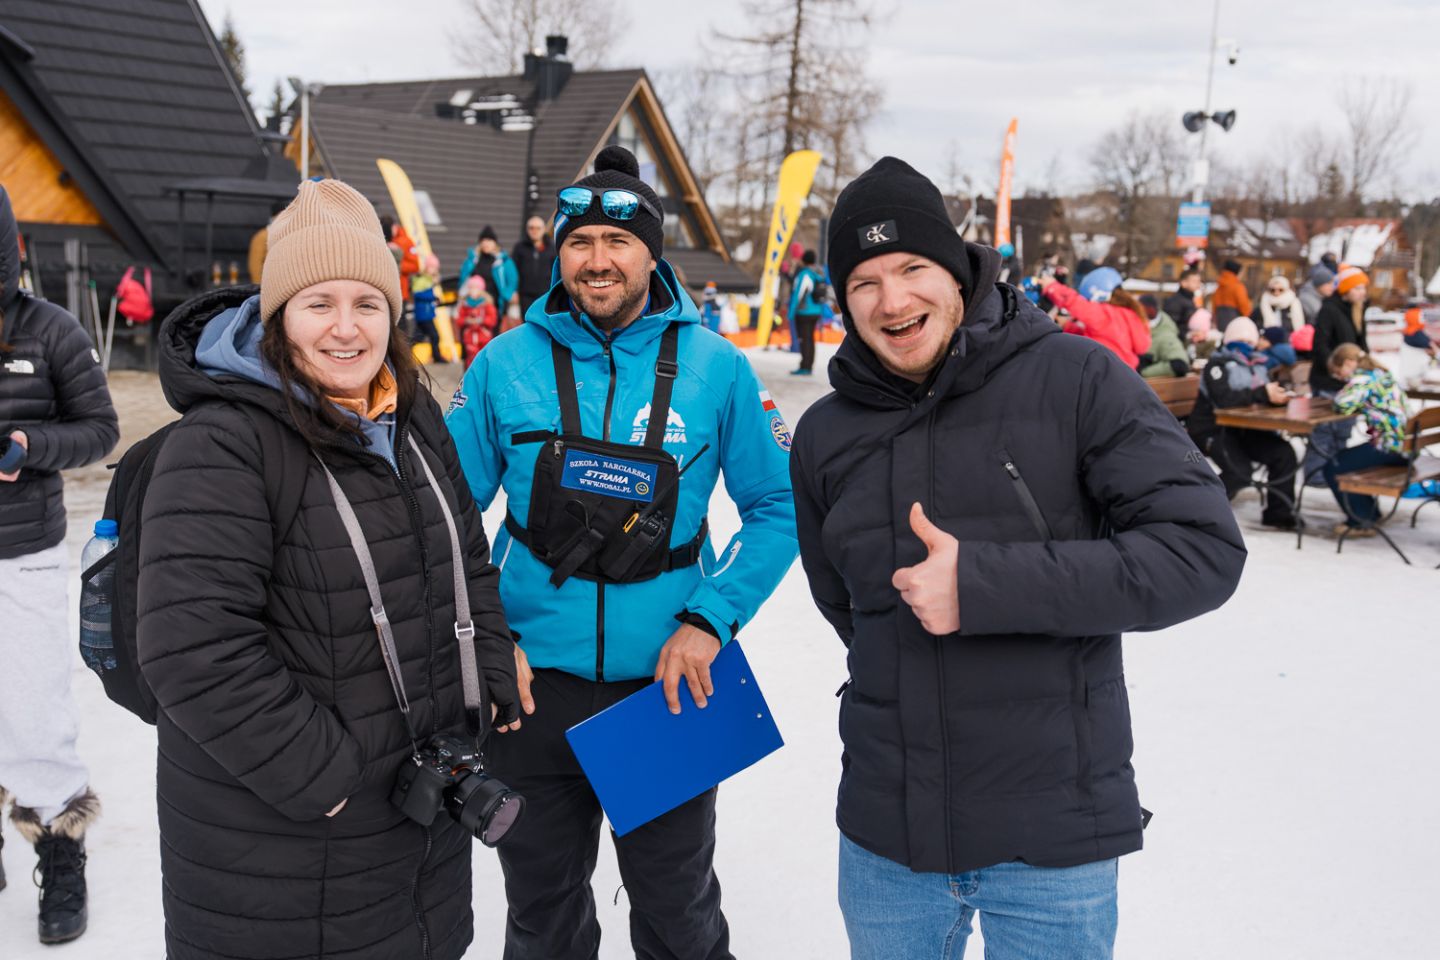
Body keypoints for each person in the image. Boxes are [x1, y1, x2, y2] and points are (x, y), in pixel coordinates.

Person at [789, 156, 1245, 960]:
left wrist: (983, 585)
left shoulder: (1077, 378)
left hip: (1051, 839)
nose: (892, 301)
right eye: (864, 282)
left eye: (912, 268)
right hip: (886, 839)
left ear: (958, 270)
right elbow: (848, 607)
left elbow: (1201, 549)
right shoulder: (824, 434)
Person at [134, 179, 519, 960]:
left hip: (415, 827)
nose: (347, 328)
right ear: (279, 314)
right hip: (290, 845)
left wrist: (485, 676)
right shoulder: (224, 444)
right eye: (319, 303)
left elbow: (466, 559)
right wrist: (328, 780)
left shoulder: (411, 416)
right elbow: (192, 650)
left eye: (367, 303)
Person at [445, 145, 797, 960]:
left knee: (679, 915)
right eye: (579, 242)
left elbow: (779, 506)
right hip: (529, 690)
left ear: (652, 254)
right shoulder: (503, 364)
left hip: (666, 689)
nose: (597, 260)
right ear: (558, 251)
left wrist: (711, 619)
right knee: (543, 918)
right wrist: (492, 638)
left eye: (618, 241)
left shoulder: (717, 369)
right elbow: (440, 517)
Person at [0, 184, 118, 945]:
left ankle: (60, 840)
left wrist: (29, 446)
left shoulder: (50, 330)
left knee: (32, 705)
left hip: (23, 553)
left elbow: (100, 429)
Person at [1186, 316, 1299, 529]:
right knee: (1239, 471)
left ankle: (1279, 514)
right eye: (1240, 341)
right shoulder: (1217, 365)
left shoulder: (1257, 365)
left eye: (1249, 342)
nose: (1246, 346)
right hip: (1213, 428)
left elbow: (1258, 396)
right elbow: (1224, 400)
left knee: (1283, 454)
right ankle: (1196, 511)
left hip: (1244, 429)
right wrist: (1262, 393)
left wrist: (1275, 398)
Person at [1324, 343, 1411, 537]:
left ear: (1349, 363)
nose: (1340, 378)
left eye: (1338, 372)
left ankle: (1360, 521)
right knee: (1347, 461)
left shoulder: (1364, 378)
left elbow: (1342, 404)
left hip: (1391, 446)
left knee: (1334, 466)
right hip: (1406, 445)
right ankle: (1369, 514)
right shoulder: (1382, 374)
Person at [1305, 264, 1370, 481]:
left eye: (1363, 288)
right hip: (1328, 380)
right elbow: (1320, 345)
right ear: (1346, 289)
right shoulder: (1329, 309)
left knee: (1343, 429)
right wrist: (1335, 368)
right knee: (1324, 431)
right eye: (1358, 288)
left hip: (1349, 382)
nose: (1362, 292)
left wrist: (1365, 366)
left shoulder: (1357, 310)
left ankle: (1335, 472)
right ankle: (1316, 475)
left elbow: (1361, 345)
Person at [1041, 273, 1152, 370]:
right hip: (1127, 376)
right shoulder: (1130, 314)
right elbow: (1100, 337)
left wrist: (1052, 286)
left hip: (1106, 375)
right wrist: (1067, 326)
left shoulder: (1105, 314)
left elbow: (1075, 303)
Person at [459, 226, 519, 332]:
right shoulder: (473, 260)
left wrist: (506, 296)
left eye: (489, 240)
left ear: (495, 243)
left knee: (492, 334)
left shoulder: (503, 262)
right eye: (483, 240)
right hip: (473, 306)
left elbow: (512, 280)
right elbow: (463, 277)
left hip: (494, 305)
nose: (486, 243)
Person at [788, 249, 826, 375]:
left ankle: (805, 366)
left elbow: (798, 293)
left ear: (804, 260)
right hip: (816, 310)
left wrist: (791, 312)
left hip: (804, 312)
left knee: (804, 339)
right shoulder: (819, 272)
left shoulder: (805, 274)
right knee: (810, 339)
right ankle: (808, 365)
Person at [1135, 293, 1191, 378]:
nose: (1137, 313)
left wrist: (1143, 372)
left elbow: (1180, 365)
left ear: (1151, 309)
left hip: (1151, 383)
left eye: (1141, 309)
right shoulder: (1141, 328)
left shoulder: (1165, 334)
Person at [512, 215, 556, 318]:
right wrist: (514, 291)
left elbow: (556, 270)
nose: (534, 231)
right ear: (527, 229)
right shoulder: (519, 248)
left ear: (543, 229)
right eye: (531, 228)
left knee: (544, 319)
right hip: (525, 294)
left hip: (545, 293)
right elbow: (513, 272)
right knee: (527, 320)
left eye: (538, 228)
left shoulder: (551, 248)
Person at [410, 252, 447, 363]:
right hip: (424, 314)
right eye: (432, 268)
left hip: (426, 313)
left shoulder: (428, 280)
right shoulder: (422, 280)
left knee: (418, 337)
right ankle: (436, 356)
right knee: (434, 336)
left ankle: (405, 354)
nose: (434, 270)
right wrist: (432, 298)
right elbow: (418, 294)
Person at [455, 275, 499, 362]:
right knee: (471, 358)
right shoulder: (465, 304)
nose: (473, 291)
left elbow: (493, 320)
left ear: (481, 290)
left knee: (484, 358)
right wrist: (467, 320)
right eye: (471, 288)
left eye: (476, 288)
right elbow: (459, 320)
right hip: (469, 337)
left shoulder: (487, 304)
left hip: (484, 336)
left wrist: (482, 320)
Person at [247, 201, 287, 284]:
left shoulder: (289, 234)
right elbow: (255, 264)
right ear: (273, 218)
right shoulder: (262, 236)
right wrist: (259, 286)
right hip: (268, 284)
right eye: (282, 215)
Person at [1212, 258, 1252, 331]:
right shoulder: (1238, 287)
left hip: (1220, 323)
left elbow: (1214, 307)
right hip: (1235, 323)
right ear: (1237, 272)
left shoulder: (1219, 287)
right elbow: (1244, 306)